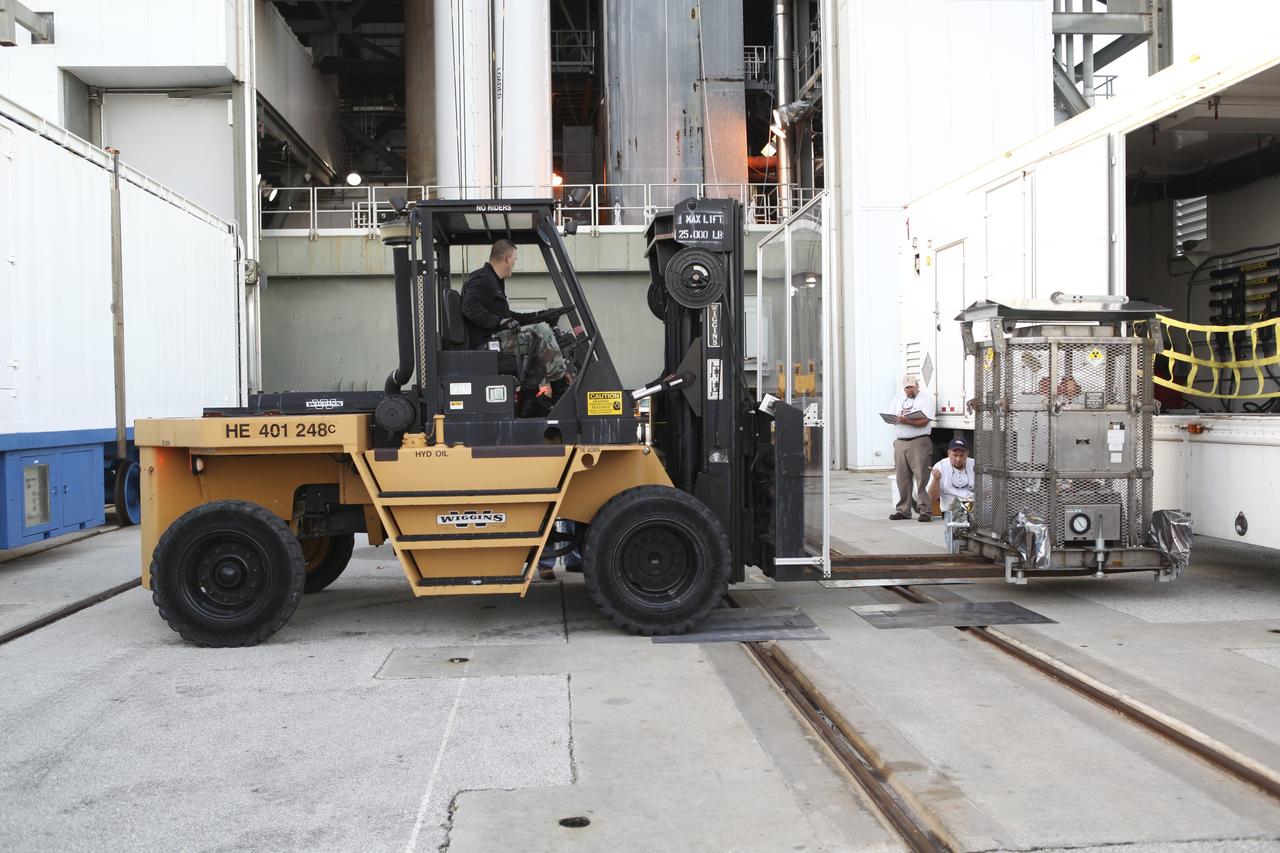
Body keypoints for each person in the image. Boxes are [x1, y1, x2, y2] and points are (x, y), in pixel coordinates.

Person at [461, 239, 571, 416]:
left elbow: (509, 317)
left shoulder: (494, 281)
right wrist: (499, 322)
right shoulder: (483, 280)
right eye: (515, 259)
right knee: (541, 334)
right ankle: (561, 392)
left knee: (537, 336)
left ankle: (530, 401)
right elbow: (469, 307)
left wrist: (539, 315)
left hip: (497, 338)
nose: (514, 263)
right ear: (507, 258)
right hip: (487, 344)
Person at [886, 374, 936, 522]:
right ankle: (903, 510)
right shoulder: (898, 398)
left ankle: (925, 510)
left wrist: (906, 420)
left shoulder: (926, 398)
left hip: (919, 441)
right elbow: (891, 415)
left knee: (921, 477)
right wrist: (895, 419)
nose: (909, 390)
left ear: (917, 386)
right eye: (907, 387)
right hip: (900, 441)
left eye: (912, 387)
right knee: (902, 478)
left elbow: (925, 421)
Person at [927, 436, 975, 511]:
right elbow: (931, 498)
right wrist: (936, 480)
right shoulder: (940, 466)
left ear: (967, 454)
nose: (958, 459)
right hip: (950, 512)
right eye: (955, 455)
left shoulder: (974, 465)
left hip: (972, 511)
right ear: (949, 453)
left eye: (961, 455)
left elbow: (988, 493)